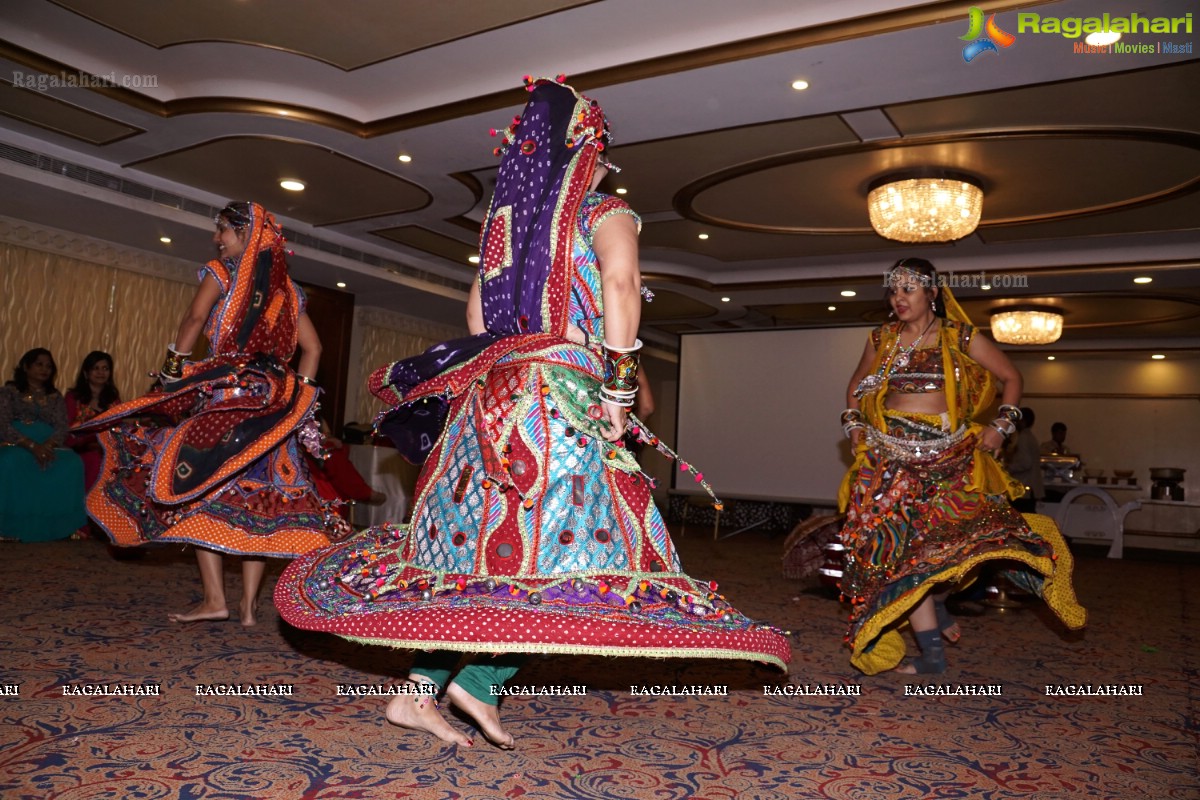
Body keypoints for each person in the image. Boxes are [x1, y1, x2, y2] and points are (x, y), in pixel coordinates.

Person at [276, 77, 789, 748]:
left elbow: (475, 319)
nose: (605, 167)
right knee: (589, 560)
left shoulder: (505, 238)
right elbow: (621, 284)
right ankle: (473, 682)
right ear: (587, 153)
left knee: (492, 561)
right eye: (602, 154)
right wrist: (621, 389)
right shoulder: (604, 212)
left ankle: (425, 689)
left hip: (492, 404)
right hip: (558, 406)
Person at [76, 201, 346, 626]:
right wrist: (300, 402)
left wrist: (169, 373)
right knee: (260, 502)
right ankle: (247, 609)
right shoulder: (290, 293)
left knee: (202, 491)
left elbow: (193, 319)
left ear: (246, 235)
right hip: (272, 410)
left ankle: (216, 599)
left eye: (223, 230)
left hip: (225, 403)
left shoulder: (221, 274)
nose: (216, 238)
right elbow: (314, 351)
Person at [838, 258, 1085, 675]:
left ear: (931, 293)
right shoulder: (882, 338)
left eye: (908, 289)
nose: (898, 297)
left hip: (947, 459)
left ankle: (937, 605)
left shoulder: (959, 336)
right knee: (898, 558)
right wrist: (854, 424)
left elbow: (1012, 377)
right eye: (893, 290)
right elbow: (855, 387)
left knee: (965, 542)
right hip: (889, 461)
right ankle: (933, 650)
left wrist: (1002, 426)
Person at [0, 348, 87, 541]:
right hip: (17, 444)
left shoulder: (54, 396)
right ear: (26, 366)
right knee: (9, 463)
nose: (44, 369)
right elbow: (3, 425)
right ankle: (9, 527)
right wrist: (32, 446)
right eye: (39, 364)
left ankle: (63, 527)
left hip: (49, 445)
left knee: (72, 463)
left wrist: (46, 446)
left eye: (48, 366)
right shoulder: (9, 392)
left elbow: (62, 427)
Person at [65, 350, 122, 493]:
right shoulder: (73, 398)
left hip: (108, 450)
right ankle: (89, 508)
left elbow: (119, 429)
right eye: (95, 368)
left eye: (105, 368)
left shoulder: (113, 400)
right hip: (79, 450)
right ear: (86, 373)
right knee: (95, 460)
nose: (100, 372)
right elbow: (67, 430)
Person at [1006, 406, 1043, 513]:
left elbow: (1026, 463)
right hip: (1031, 487)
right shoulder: (1031, 437)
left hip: (1023, 487)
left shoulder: (1023, 438)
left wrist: (1009, 468)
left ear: (1023, 421)